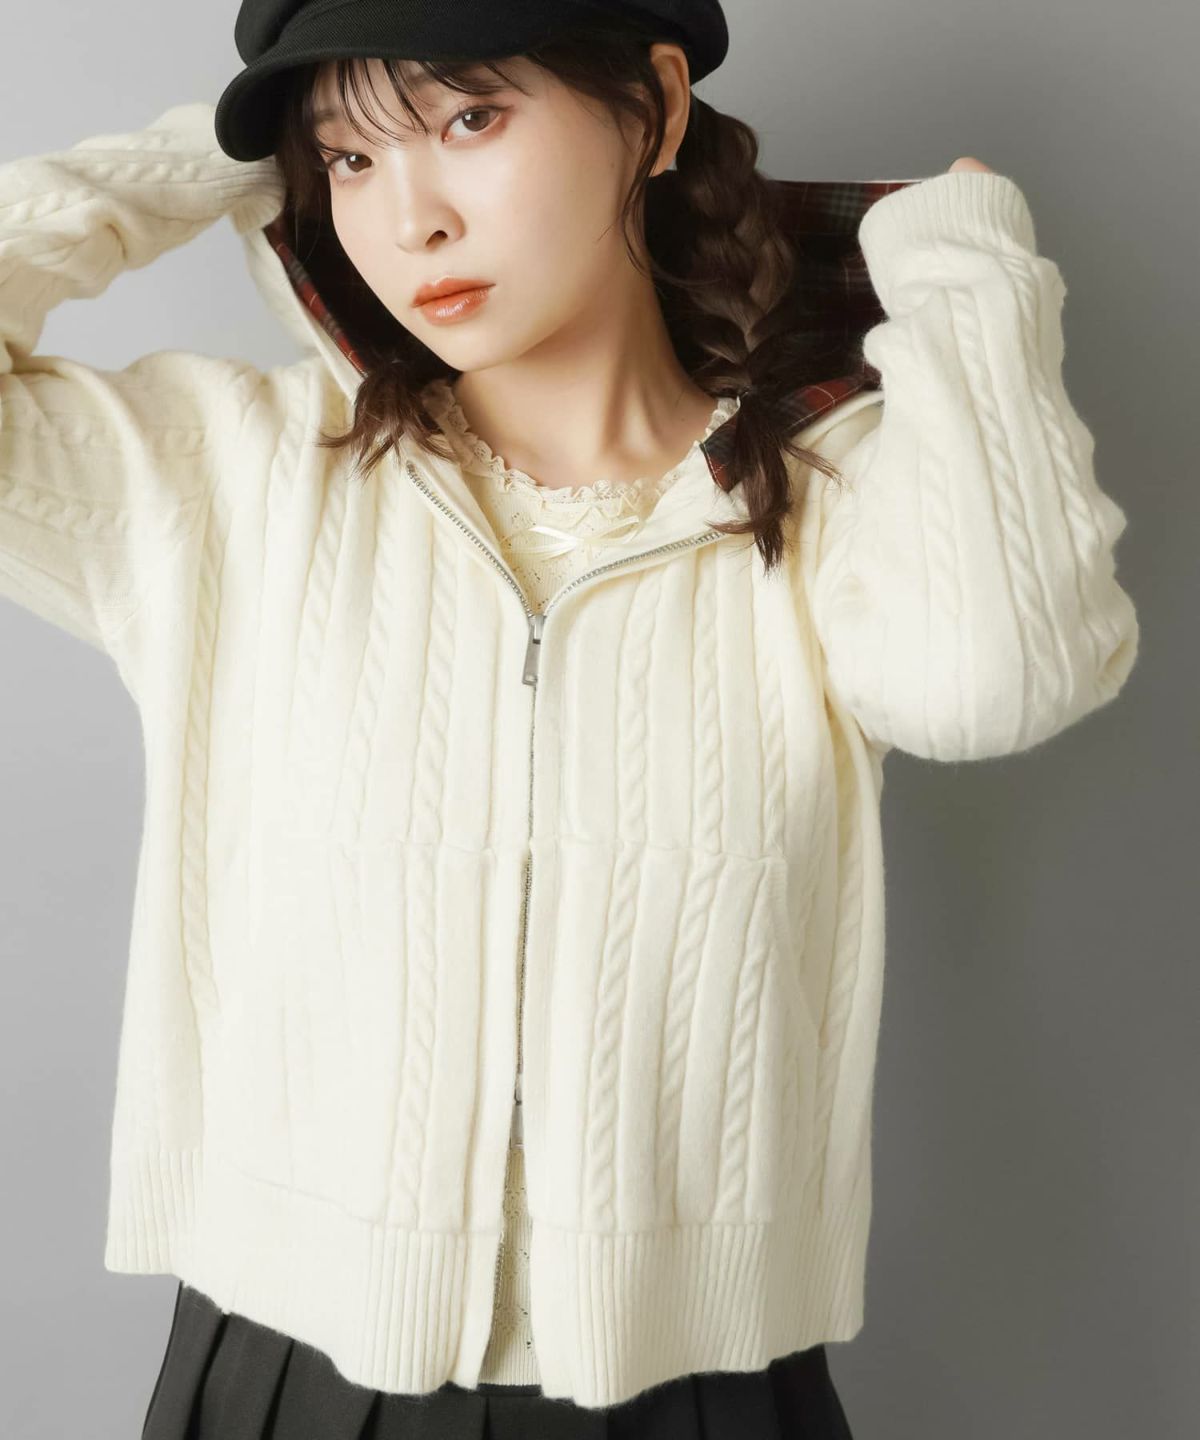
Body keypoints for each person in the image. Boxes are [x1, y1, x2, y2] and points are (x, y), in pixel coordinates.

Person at [0, 2, 1139, 1437]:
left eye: (470, 119)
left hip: (700, 1388)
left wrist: (964, 275)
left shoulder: (833, 498)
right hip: (288, 1377)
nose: (410, 218)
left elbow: (1003, 678)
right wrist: (217, 157)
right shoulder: (232, 479)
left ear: (653, 109)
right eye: (350, 159)